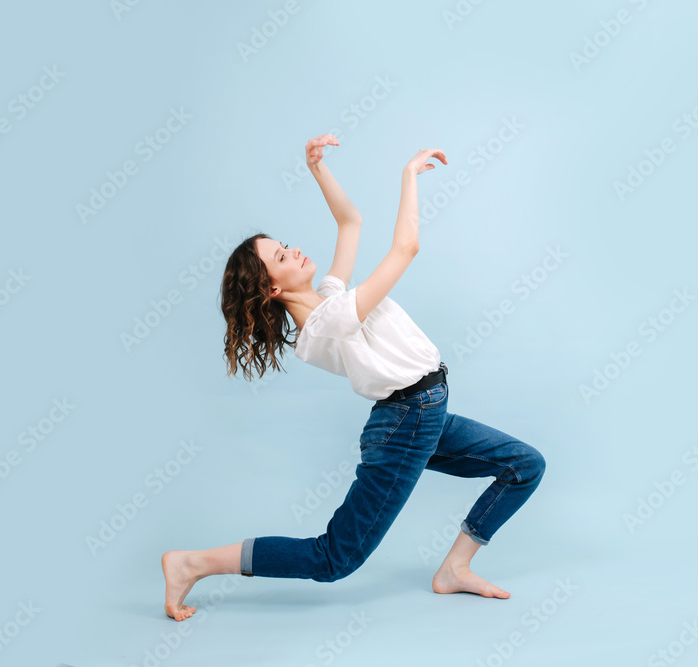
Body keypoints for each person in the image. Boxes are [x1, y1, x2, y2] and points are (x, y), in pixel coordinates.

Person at [161, 134, 545, 621]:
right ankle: (192, 562)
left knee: (524, 466)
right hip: (407, 421)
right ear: (274, 288)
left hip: (424, 411)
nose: (293, 250)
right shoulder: (327, 322)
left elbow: (350, 221)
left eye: (283, 245)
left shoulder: (327, 300)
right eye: (281, 257)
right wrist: (408, 176)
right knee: (333, 558)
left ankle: (453, 570)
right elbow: (406, 247)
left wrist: (317, 168)